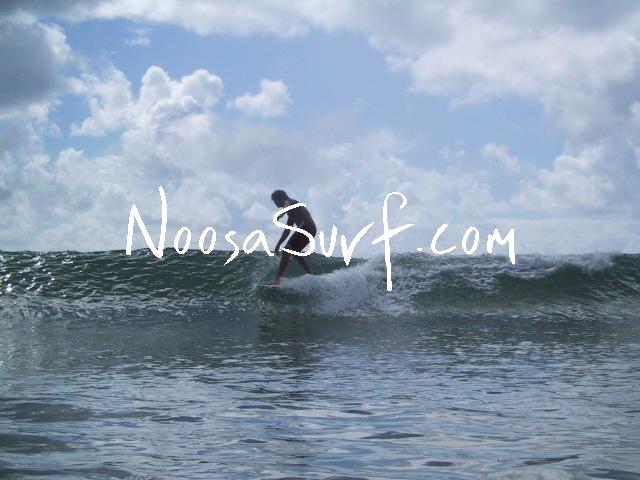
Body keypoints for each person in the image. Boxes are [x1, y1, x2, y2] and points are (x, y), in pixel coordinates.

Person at [271, 189, 317, 283]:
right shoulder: (291, 212)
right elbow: (287, 231)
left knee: (287, 250)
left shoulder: (290, 201)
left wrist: (281, 213)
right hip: (311, 229)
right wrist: (278, 245)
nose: (275, 204)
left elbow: (287, 204)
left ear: (280, 198)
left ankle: (277, 279)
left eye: (275, 201)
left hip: (306, 226)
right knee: (295, 252)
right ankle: (310, 275)